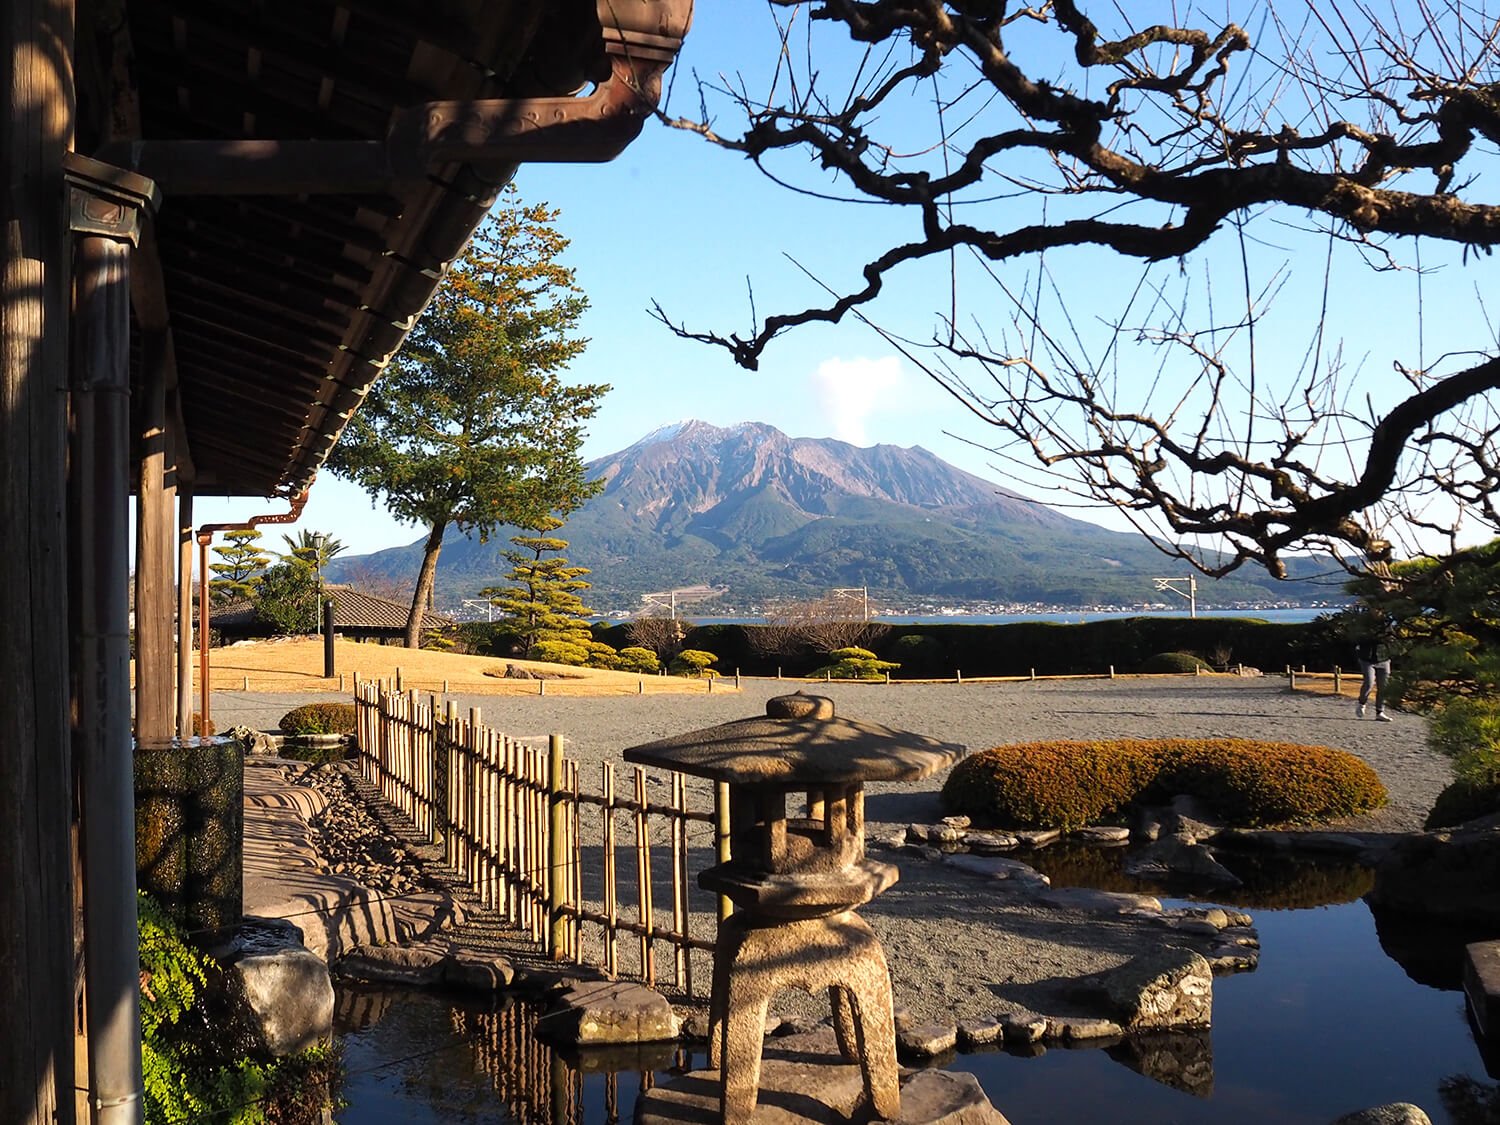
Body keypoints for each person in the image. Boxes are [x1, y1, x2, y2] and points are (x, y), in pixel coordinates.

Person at [1354, 611, 1395, 722]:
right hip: (1367, 658)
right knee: (1369, 683)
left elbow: (1391, 636)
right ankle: (1362, 703)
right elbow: (1359, 637)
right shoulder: (1364, 622)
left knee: (1383, 687)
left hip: (1383, 657)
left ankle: (1380, 712)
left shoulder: (1386, 621)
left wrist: (1389, 640)